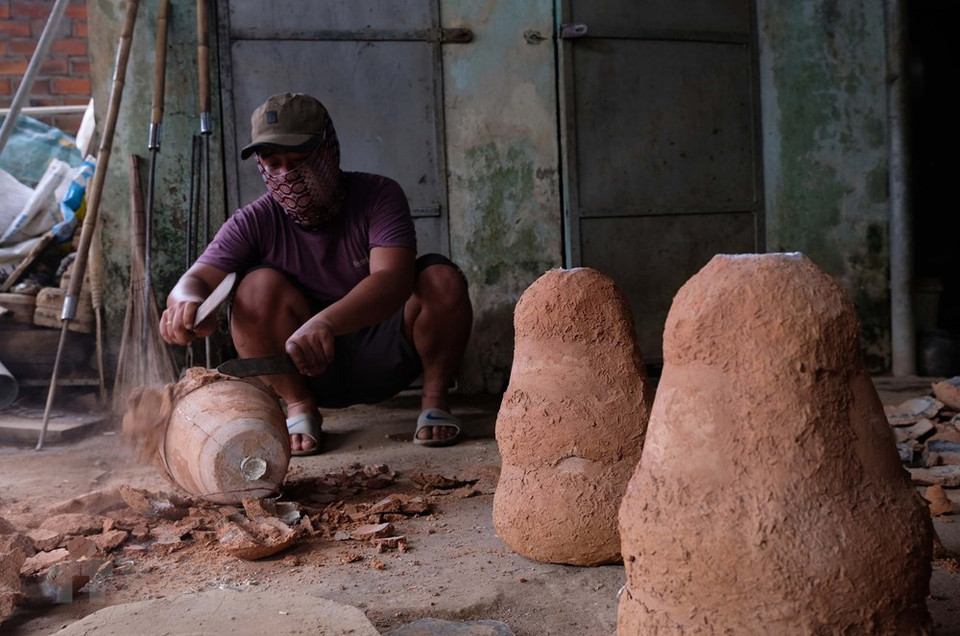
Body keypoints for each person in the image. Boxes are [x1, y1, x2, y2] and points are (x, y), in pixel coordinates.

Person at [159, 92, 472, 456]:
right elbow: (195, 279)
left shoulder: (378, 195)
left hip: (387, 354)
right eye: (272, 163)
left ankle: (434, 400)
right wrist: (187, 304)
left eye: (299, 160)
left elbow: (393, 280)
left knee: (441, 279)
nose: (286, 176)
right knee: (254, 289)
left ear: (329, 150)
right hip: (302, 367)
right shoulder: (254, 221)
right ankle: (299, 406)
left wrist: (324, 323)